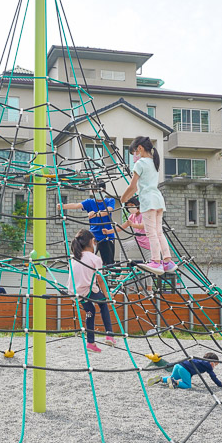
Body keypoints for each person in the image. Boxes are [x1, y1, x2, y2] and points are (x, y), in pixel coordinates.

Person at [119, 137, 172, 275]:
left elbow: (133, 186)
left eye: (134, 153)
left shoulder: (141, 163)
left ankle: (156, 261)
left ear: (140, 148)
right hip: (158, 201)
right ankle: (167, 261)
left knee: (151, 233)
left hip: (148, 202)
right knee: (159, 232)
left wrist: (123, 198)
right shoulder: (153, 163)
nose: (134, 156)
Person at [69, 229, 116, 353]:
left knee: (90, 311)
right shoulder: (95, 259)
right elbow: (100, 280)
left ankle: (90, 342)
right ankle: (109, 334)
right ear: (91, 242)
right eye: (94, 241)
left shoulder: (74, 258)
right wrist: (107, 295)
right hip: (89, 290)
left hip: (76, 292)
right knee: (103, 304)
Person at [59, 184, 116, 266]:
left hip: (107, 236)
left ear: (104, 190)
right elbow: (77, 205)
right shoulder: (90, 202)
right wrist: (63, 206)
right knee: (86, 260)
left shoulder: (110, 200)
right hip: (92, 237)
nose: (99, 193)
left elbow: (108, 210)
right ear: (93, 191)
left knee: (108, 263)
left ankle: (106, 277)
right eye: (96, 191)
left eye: (101, 191)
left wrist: (95, 214)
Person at [148, 352, 222, 389]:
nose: (214, 367)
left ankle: (160, 379)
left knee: (172, 377)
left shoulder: (200, 361)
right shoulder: (208, 365)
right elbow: (213, 377)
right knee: (187, 385)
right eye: (215, 365)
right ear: (212, 362)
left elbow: (192, 369)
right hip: (184, 369)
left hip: (178, 365)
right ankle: (175, 382)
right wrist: (221, 385)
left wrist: (189, 379)